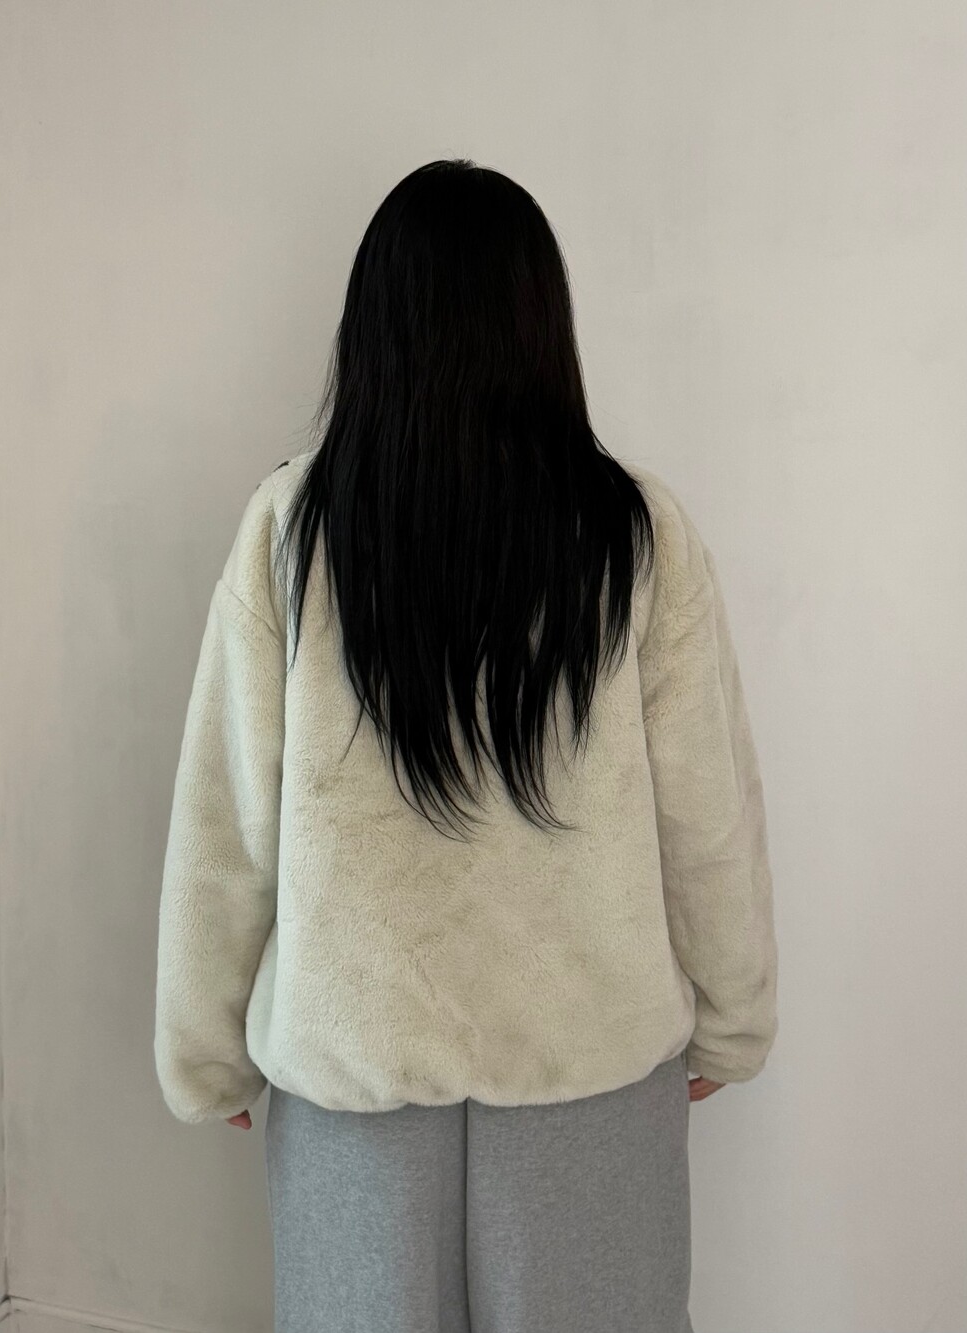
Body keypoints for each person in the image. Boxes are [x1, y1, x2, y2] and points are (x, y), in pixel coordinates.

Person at [153, 158, 778, 1333]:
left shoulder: (294, 531)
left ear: (371, 329)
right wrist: (734, 1017)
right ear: (543, 326)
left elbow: (227, 823)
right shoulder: (635, 535)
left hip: (356, 1082)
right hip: (588, 1072)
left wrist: (205, 1051)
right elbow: (707, 815)